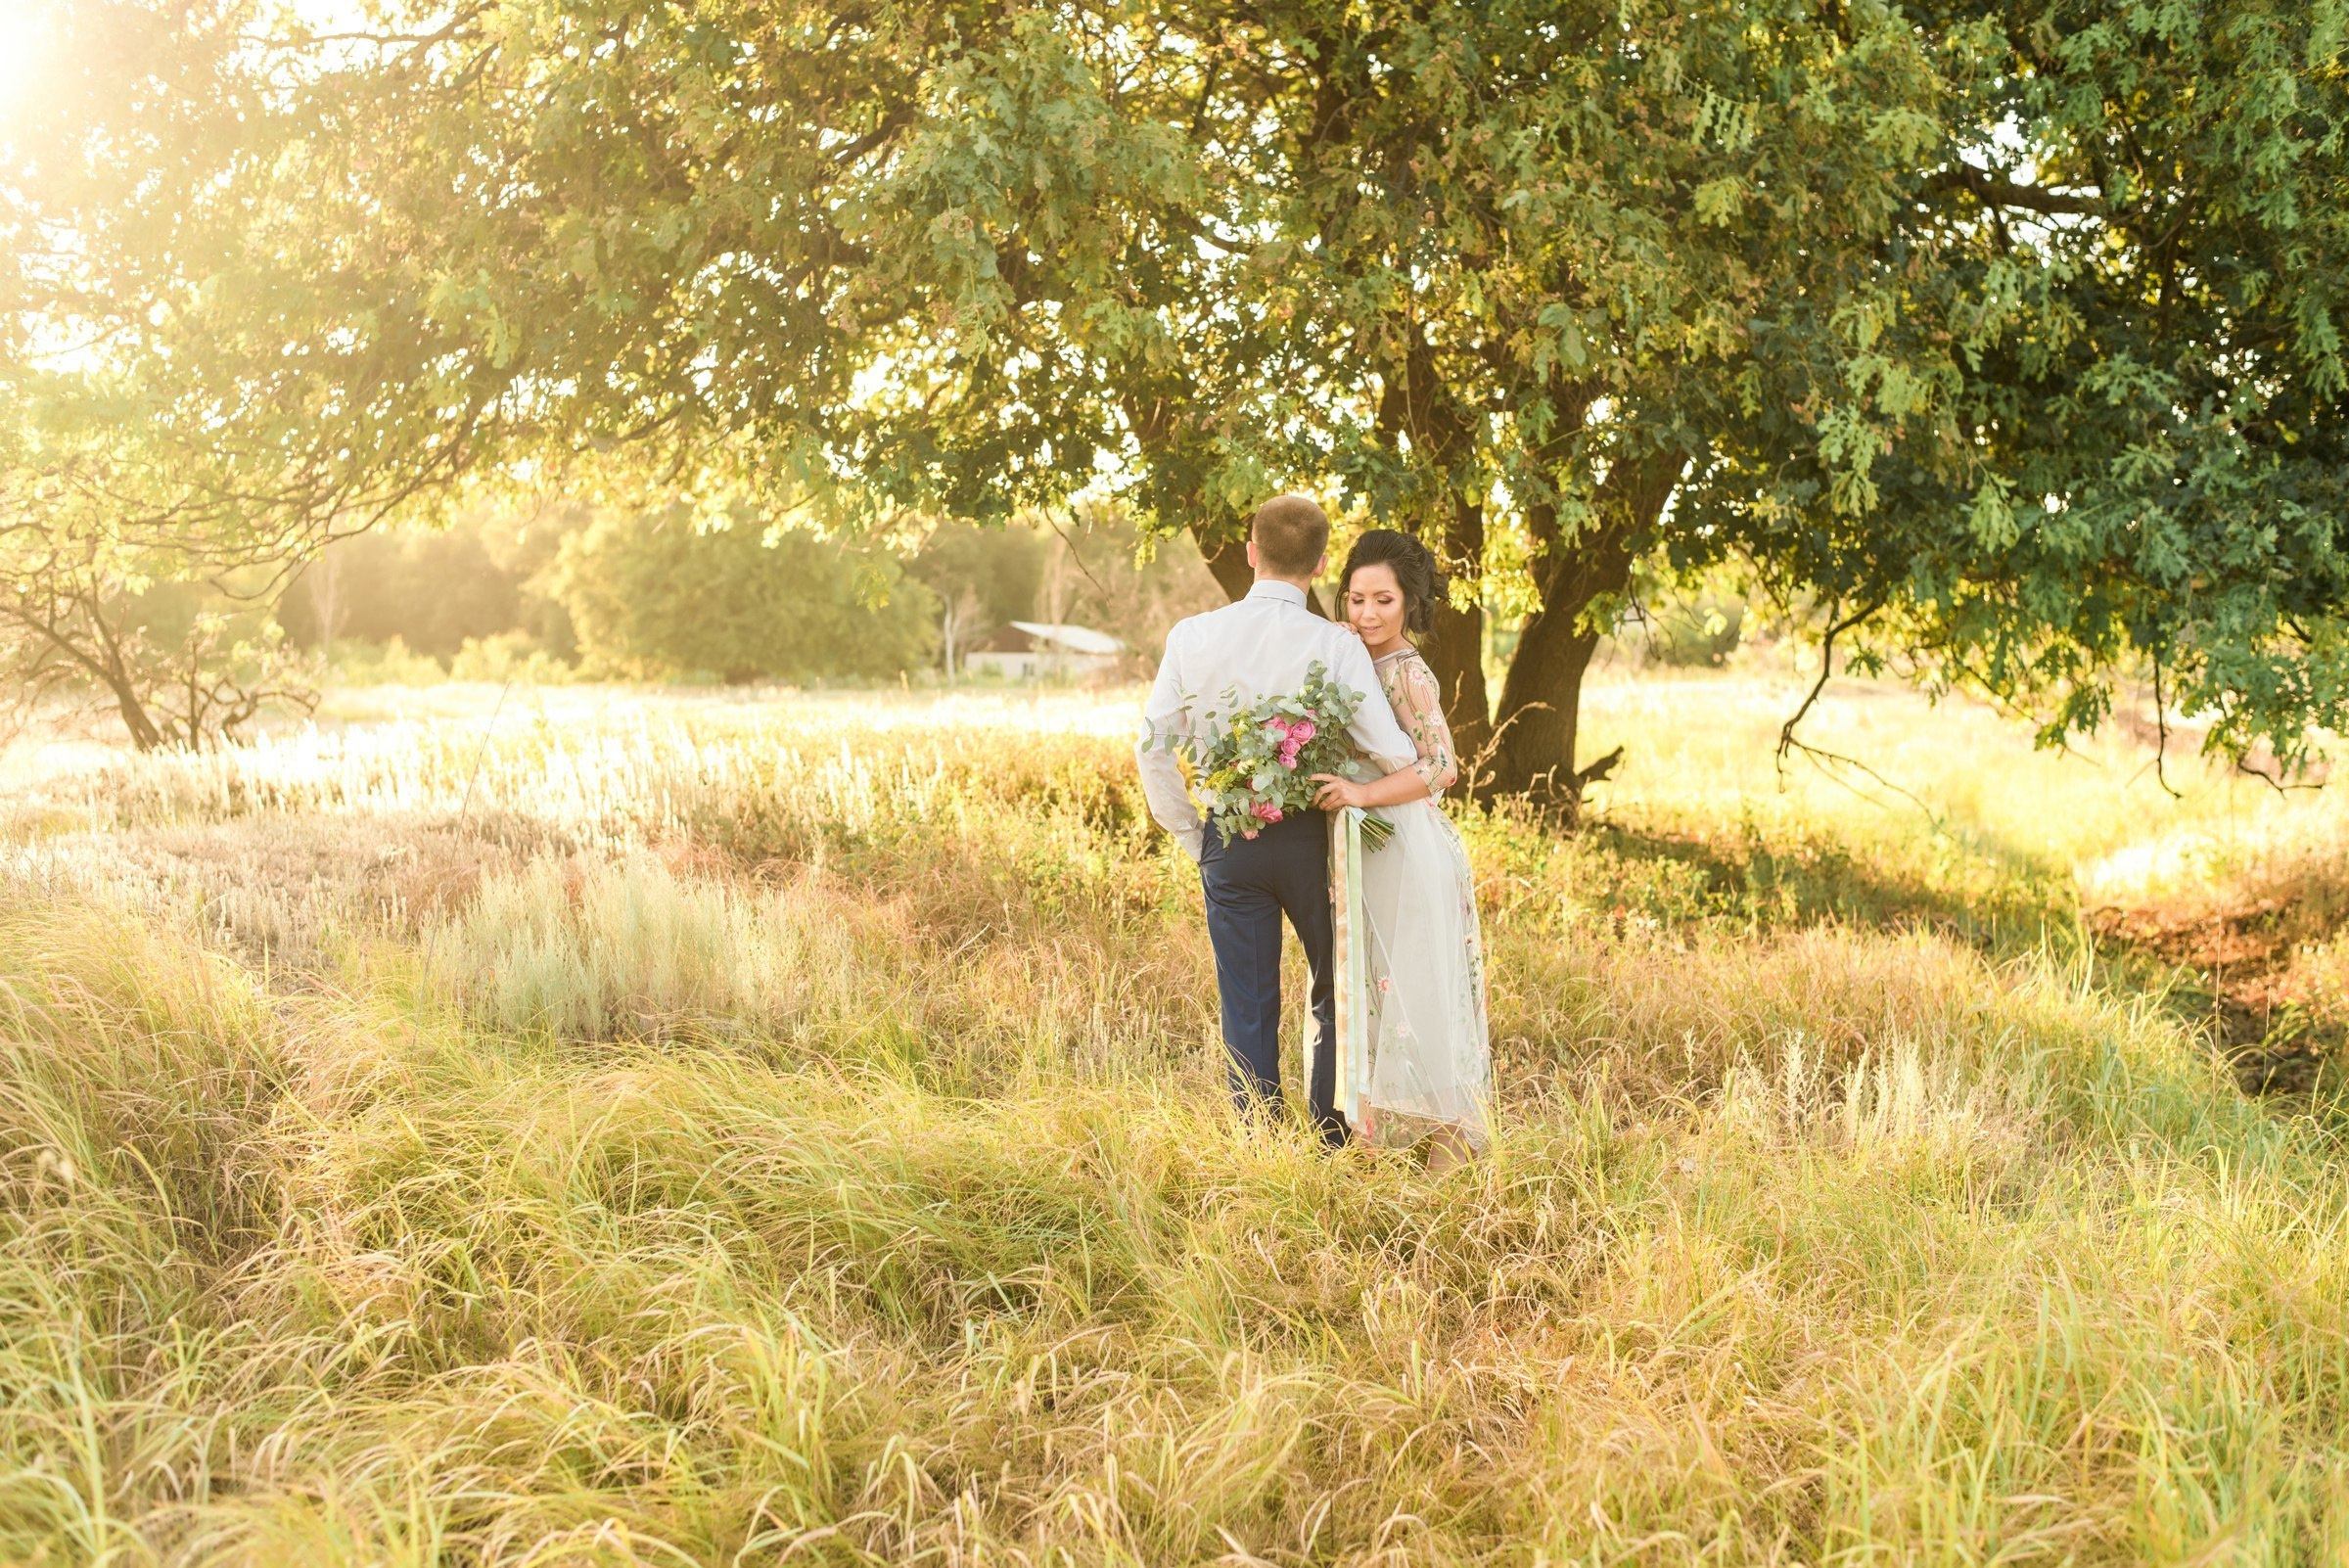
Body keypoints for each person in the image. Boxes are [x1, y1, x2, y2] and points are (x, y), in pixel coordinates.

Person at [1136, 495, 1417, 1147]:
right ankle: (1329, 1139)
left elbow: (1151, 747)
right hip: (1312, 841)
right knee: (1333, 988)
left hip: (1227, 838)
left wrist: (1192, 834)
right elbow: (1396, 754)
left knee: (1248, 1000)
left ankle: (1259, 1142)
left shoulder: (1192, 636)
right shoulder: (1336, 645)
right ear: (1321, 564)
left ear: (1249, 551)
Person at [1309, 530, 1492, 1172]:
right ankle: (1377, 1143)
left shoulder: (1407, 671)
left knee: (1418, 992)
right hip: (1370, 850)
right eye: (1356, 599)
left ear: (1410, 601)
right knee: (1377, 995)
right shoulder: (1352, 660)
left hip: (1407, 847)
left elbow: (1442, 766)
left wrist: (1361, 793)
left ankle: (1450, 1147)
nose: (1366, 615)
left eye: (1382, 600)